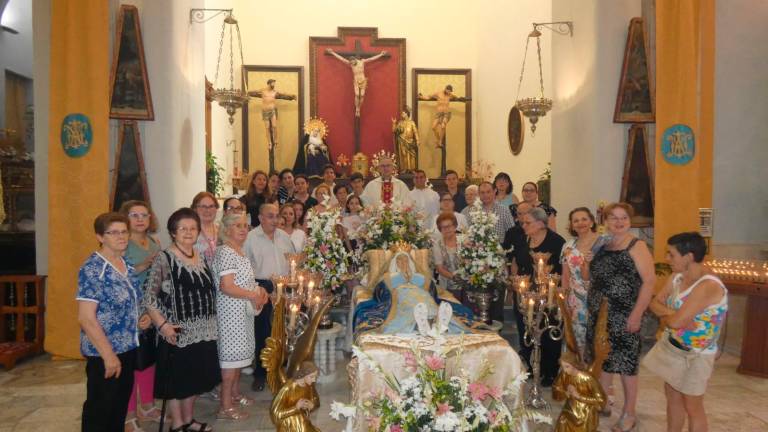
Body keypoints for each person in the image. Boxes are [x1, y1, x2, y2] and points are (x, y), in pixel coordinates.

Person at [143, 208, 220, 432]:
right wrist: (163, 325)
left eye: (193, 228)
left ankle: (189, 420)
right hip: (176, 331)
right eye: (182, 228)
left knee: (195, 378)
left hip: (204, 329)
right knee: (178, 382)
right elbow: (149, 296)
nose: (188, 232)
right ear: (173, 232)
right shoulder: (164, 258)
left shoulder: (201, 256)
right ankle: (177, 423)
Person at [645, 232, 728, 432]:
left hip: (696, 355)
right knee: (672, 396)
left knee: (693, 406)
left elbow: (675, 321)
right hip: (673, 347)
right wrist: (672, 314)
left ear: (689, 257)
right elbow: (654, 303)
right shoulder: (677, 277)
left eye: (671, 254)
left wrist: (672, 317)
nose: (667, 259)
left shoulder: (708, 285)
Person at [586, 202, 655, 432]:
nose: (618, 222)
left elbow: (649, 282)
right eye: (613, 217)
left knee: (626, 365)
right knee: (603, 359)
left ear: (630, 221)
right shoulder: (602, 244)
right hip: (600, 312)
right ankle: (603, 402)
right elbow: (589, 275)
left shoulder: (637, 245)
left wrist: (637, 314)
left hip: (625, 313)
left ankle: (629, 413)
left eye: (623, 217)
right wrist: (587, 260)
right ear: (605, 221)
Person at [78, 212, 147, 432]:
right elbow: (86, 318)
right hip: (104, 352)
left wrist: (141, 317)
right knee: (100, 410)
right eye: (113, 232)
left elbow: (130, 301)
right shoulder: (93, 269)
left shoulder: (124, 263)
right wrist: (108, 355)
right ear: (100, 236)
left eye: (124, 231)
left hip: (127, 347)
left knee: (118, 409)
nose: (121, 236)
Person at [213, 213, 270, 420]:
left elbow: (246, 282)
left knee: (238, 359)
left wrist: (260, 291)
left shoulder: (239, 251)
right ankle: (224, 406)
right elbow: (226, 286)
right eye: (238, 226)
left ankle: (235, 395)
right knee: (230, 362)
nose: (243, 229)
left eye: (246, 226)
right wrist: (253, 294)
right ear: (226, 229)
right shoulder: (225, 251)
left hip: (242, 312)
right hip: (230, 314)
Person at [354, 250, 476, 335]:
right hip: (401, 295)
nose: (403, 263)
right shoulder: (388, 277)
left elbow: (431, 291)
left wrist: (413, 278)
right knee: (411, 306)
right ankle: (420, 324)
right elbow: (379, 292)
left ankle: (436, 321)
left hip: (421, 294)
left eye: (406, 261)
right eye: (400, 261)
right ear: (395, 263)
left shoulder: (419, 276)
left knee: (428, 302)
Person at [119, 201, 164, 431]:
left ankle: (147, 406)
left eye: (144, 215)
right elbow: (120, 275)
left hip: (151, 307)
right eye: (134, 215)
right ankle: (128, 416)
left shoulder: (154, 242)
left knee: (147, 359)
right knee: (130, 363)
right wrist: (144, 265)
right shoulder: (122, 243)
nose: (139, 219)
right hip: (129, 309)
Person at [509, 208, 566, 386]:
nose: (523, 225)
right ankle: (532, 367)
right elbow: (515, 263)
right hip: (525, 295)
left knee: (548, 333)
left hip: (547, 297)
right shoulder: (522, 239)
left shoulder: (556, 242)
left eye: (527, 223)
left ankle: (550, 371)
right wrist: (515, 284)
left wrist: (558, 293)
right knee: (526, 330)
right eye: (522, 222)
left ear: (541, 224)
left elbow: (564, 271)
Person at [244, 203, 295, 391]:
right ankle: (261, 374)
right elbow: (245, 266)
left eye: (276, 216)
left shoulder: (284, 237)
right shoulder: (250, 238)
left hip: (284, 286)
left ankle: (280, 369)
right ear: (260, 218)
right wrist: (257, 289)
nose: (275, 220)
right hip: (261, 286)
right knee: (263, 331)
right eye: (270, 216)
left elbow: (293, 261)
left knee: (283, 330)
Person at [560, 207, 600, 361]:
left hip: (597, 298)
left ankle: (595, 380)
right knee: (577, 342)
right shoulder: (568, 246)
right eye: (576, 220)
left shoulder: (603, 243)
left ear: (591, 221)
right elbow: (565, 275)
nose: (580, 223)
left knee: (596, 342)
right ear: (571, 225)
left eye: (584, 219)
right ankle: (578, 379)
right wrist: (564, 300)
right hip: (575, 301)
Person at [552, 351, 607, 432]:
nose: (564, 370)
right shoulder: (564, 374)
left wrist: (579, 397)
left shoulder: (588, 378)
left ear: (574, 365)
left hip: (586, 412)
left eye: (567, 366)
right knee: (562, 420)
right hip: (570, 408)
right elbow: (556, 388)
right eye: (562, 367)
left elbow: (601, 400)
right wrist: (565, 393)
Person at [325, 48, 389, 116]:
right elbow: (341, 59)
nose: (352, 64)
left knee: (362, 95)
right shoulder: (351, 64)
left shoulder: (362, 61)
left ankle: (358, 108)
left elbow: (371, 59)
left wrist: (381, 54)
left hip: (363, 80)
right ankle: (357, 109)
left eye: (353, 62)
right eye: (351, 63)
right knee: (357, 95)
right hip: (356, 80)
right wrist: (332, 52)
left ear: (355, 60)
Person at [247, 79, 297, 156]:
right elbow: (255, 92)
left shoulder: (275, 92)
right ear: (269, 84)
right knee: (267, 128)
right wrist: (249, 92)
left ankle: (276, 141)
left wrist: (291, 96)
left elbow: (284, 94)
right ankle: (269, 142)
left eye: (274, 84)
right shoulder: (263, 91)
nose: (273, 85)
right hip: (265, 111)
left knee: (274, 126)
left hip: (272, 110)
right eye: (272, 84)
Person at [270, 361, 321, 432]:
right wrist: (295, 408)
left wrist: (311, 405)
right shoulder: (288, 388)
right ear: (303, 374)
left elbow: (315, 401)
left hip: (301, 418)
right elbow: (276, 413)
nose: (314, 380)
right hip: (288, 421)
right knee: (301, 425)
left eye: (315, 377)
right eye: (312, 377)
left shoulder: (308, 385)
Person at [432, 212, 462, 300]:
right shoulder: (437, 244)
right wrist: (454, 277)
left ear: (455, 226)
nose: (447, 229)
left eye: (449, 226)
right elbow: (439, 268)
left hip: (468, 283)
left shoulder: (464, 239)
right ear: (440, 229)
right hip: (447, 285)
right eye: (443, 227)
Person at [192, 191, 219, 263]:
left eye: (211, 206)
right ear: (195, 209)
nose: (208, 210)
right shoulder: (189, 232)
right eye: (203, 206)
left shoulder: (223, 230)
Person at [392, 106, 419, 172]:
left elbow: (415, 132)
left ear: (407, 114)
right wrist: (394, 123)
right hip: (401, 141)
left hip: (410, 141)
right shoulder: (400, 123)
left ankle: (412, 169)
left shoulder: (411, 122)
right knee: (403, 155)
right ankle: (404, 169)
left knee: (412, 155)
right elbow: (394, 131)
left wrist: (418, 140)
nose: (402, 115)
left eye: (403, 113)